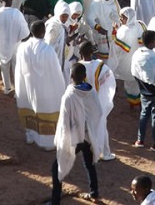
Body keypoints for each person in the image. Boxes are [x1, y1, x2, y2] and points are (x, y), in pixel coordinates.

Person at [52, 62, 100, 203]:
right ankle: (94, 193)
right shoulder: (91, 91)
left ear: (71, 76)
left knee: (57, 168)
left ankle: (55, 201)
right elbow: (98, 111)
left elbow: (64, 122)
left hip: (74, 138)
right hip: (88, 135)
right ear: (85, 76)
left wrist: (64, 141)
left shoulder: (69, 95)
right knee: (89, 163)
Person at [15, 20, 66, 149]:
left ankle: (30, 136)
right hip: (46, 91)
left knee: (30, 109)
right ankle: (47, 143)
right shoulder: (49, 51)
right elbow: (56, 73)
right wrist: (61, 89)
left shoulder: (22, 48)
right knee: (46, 112)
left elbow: (18, 70)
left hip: (28, 87)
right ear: (44, 32)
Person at [131, 29, 155, 152]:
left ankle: (140, 140)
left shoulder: (137, 54)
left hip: (144, 91)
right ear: (152, 42)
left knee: (144, 115)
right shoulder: (153, 58)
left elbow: (135, 72)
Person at [78, 40, 116, 160]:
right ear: (92, 52)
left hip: (83, 102)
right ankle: (104, 153)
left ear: (80, 52)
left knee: (86, 128)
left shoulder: (77, 67)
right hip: (97, 101)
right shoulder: (100, 66)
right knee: (101, 127)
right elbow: (110, 82)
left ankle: (90, 151)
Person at [0, 0, 30, 95]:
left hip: (1, 45)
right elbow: (25, 32)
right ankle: (18, 92)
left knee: (4, 67)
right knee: (17, 68)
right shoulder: (16, 13)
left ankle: (7, 88)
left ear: (0, 1)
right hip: (16, 45)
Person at [113, 7, 146, 108]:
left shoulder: (123, 30)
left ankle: (133, 102)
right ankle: (139, 101)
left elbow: (119, 47)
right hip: (139, 58)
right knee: (138, 80)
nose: (121, 20)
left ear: (129, 17)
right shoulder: (140, 24)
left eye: (123, 18)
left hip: (127, 60)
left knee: (130, 81)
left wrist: (115, 31)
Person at [85, 0, 120, 64]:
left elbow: (118, 14)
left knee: (116, 58)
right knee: (105, 61)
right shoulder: (96, 3)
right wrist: (98, 28)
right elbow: (89, 18)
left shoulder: (114, 0)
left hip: (115, 34)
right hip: (103, 35)